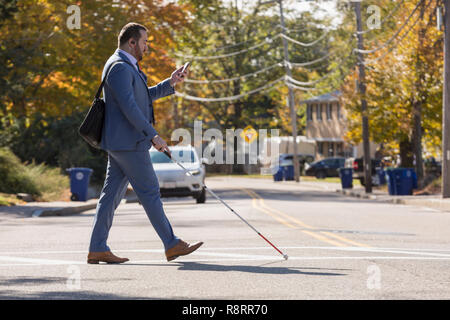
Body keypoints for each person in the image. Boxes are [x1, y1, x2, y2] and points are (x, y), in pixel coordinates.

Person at [87, 22, 203, 264]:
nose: (147, 47)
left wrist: (170, 83)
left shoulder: (126, 66)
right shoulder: (119, 67)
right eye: (144, 42)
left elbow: (141, 98)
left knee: (110, 197)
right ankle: (171, 244)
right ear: (132, 42)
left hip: (122, 143)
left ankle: (97, 247)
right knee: (150, 192)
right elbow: (129, 107)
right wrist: (153, 135)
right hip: (129, 143)